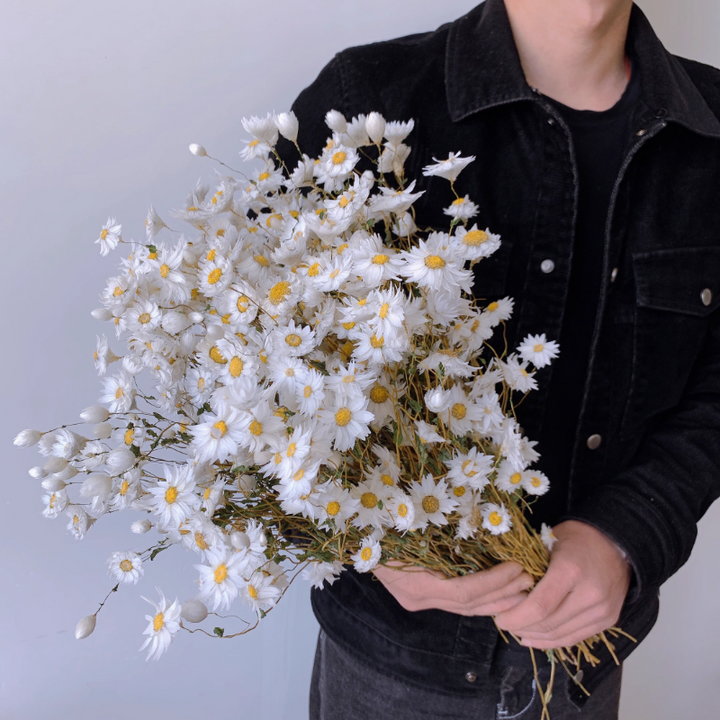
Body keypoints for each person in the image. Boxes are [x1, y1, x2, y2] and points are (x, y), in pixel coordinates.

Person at [275, 0, 720, 717]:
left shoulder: (712, 135)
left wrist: (626, 534)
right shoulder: (367, 103)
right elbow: (271, 373)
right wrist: (367, 538)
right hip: (391, 669)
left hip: (584, 672)